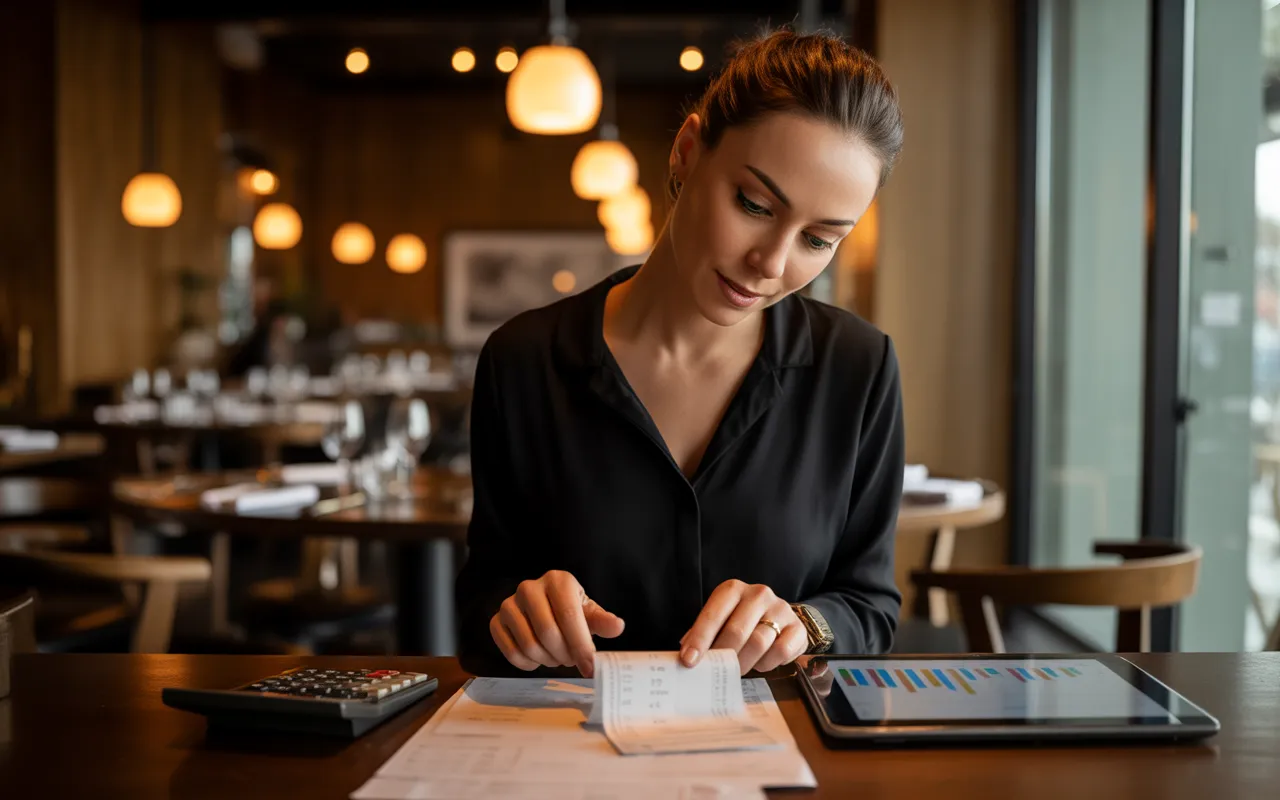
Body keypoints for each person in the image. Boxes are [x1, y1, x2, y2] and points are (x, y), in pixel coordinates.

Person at [456, 28, 906, 678]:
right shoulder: (524, 361)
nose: (770, 264)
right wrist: (516, 615)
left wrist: (803, 625)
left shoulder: (858, 367)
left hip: (775, 757)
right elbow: (481, 606)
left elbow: (870, 608)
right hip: (572, 760)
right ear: (688, 153)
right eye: (753, 205)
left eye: (818, 240)